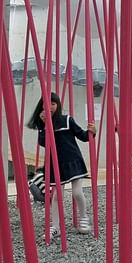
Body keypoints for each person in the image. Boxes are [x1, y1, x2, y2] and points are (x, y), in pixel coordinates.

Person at [27, 92, 96, 239]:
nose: (50, 107)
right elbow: (43, 143)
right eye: (47, 104)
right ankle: (55, 227)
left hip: (73, 160)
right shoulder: (42, 123)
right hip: (55, 164)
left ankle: (83, 218)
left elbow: (83, 136)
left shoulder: (67, 120)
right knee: (57, 197)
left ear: (57, 105)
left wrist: (91, 132)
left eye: (53, 103)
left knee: (77, 193)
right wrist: (46, 124)